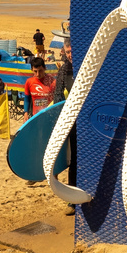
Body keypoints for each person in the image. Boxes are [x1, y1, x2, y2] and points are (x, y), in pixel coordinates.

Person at [53, 37, 77, 211]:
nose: (69, 55)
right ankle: (72, 200)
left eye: (71, 51)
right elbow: (58, 98)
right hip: (72, 122)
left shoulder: (87, 66)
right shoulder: (64, 72)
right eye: (67, 52)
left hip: (88, 121)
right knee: (73, 159)